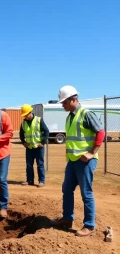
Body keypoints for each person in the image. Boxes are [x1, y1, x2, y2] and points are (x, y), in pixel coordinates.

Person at [52, 85, 105, 237]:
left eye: (64, 102)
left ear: (73, 99)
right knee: (67, 189)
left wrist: (91, 153)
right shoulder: (70, 116)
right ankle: (67, 219)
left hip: (86, 161)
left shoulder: (86, 114)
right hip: (73, 160)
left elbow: (100, 132)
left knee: (86, 193)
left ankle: (89, 225)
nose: (62, 105)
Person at [19, 104, 49, 188]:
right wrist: (23, 142)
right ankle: (30, 180)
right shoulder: (23, 122)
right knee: (29, 165)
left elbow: (46, 131)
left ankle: (41, 181)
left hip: (38, 148)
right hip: (29, 148)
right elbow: (21, 134)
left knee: (40, 164)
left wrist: (42, 142)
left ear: (30, 112)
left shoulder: (39, 120)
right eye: (23, 115)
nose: (24, 116)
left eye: (26, 114)